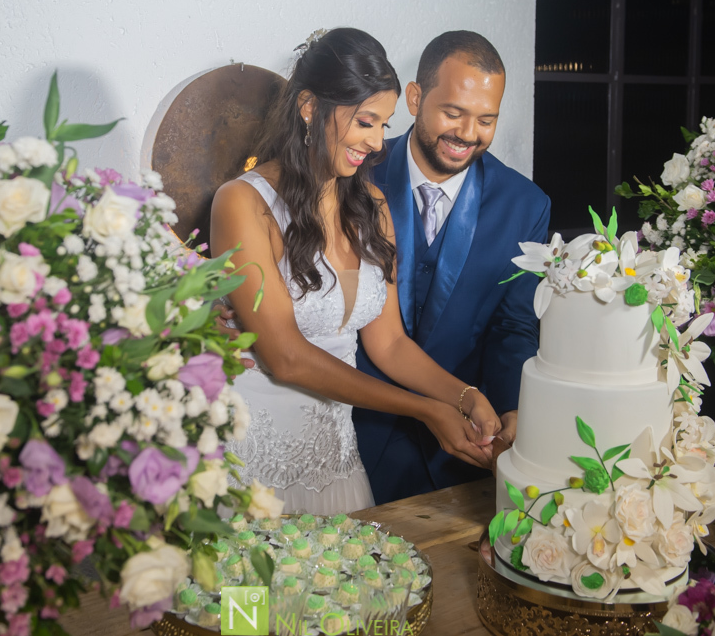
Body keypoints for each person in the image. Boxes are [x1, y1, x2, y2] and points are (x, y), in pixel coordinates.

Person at [209, 27, 501, 514]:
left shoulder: (373, 205)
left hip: (338, 465)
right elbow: (285, 357)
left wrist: (464, 396)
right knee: (249, 593)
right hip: (252, 467)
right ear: (309, 106)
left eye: (384, 125)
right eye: (366, 121)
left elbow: (388, 344)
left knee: (338, 590)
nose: (376, 142)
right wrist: (425, 410)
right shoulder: (242, 203)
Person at [352, 30, 551, 504]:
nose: (468, 133)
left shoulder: (526, 204)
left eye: (486, 119)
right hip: (354, 433)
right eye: (454, 113)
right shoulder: (354, 175)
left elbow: (514, 325)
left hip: (461, 456)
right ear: (416, 98)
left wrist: (513, 408)